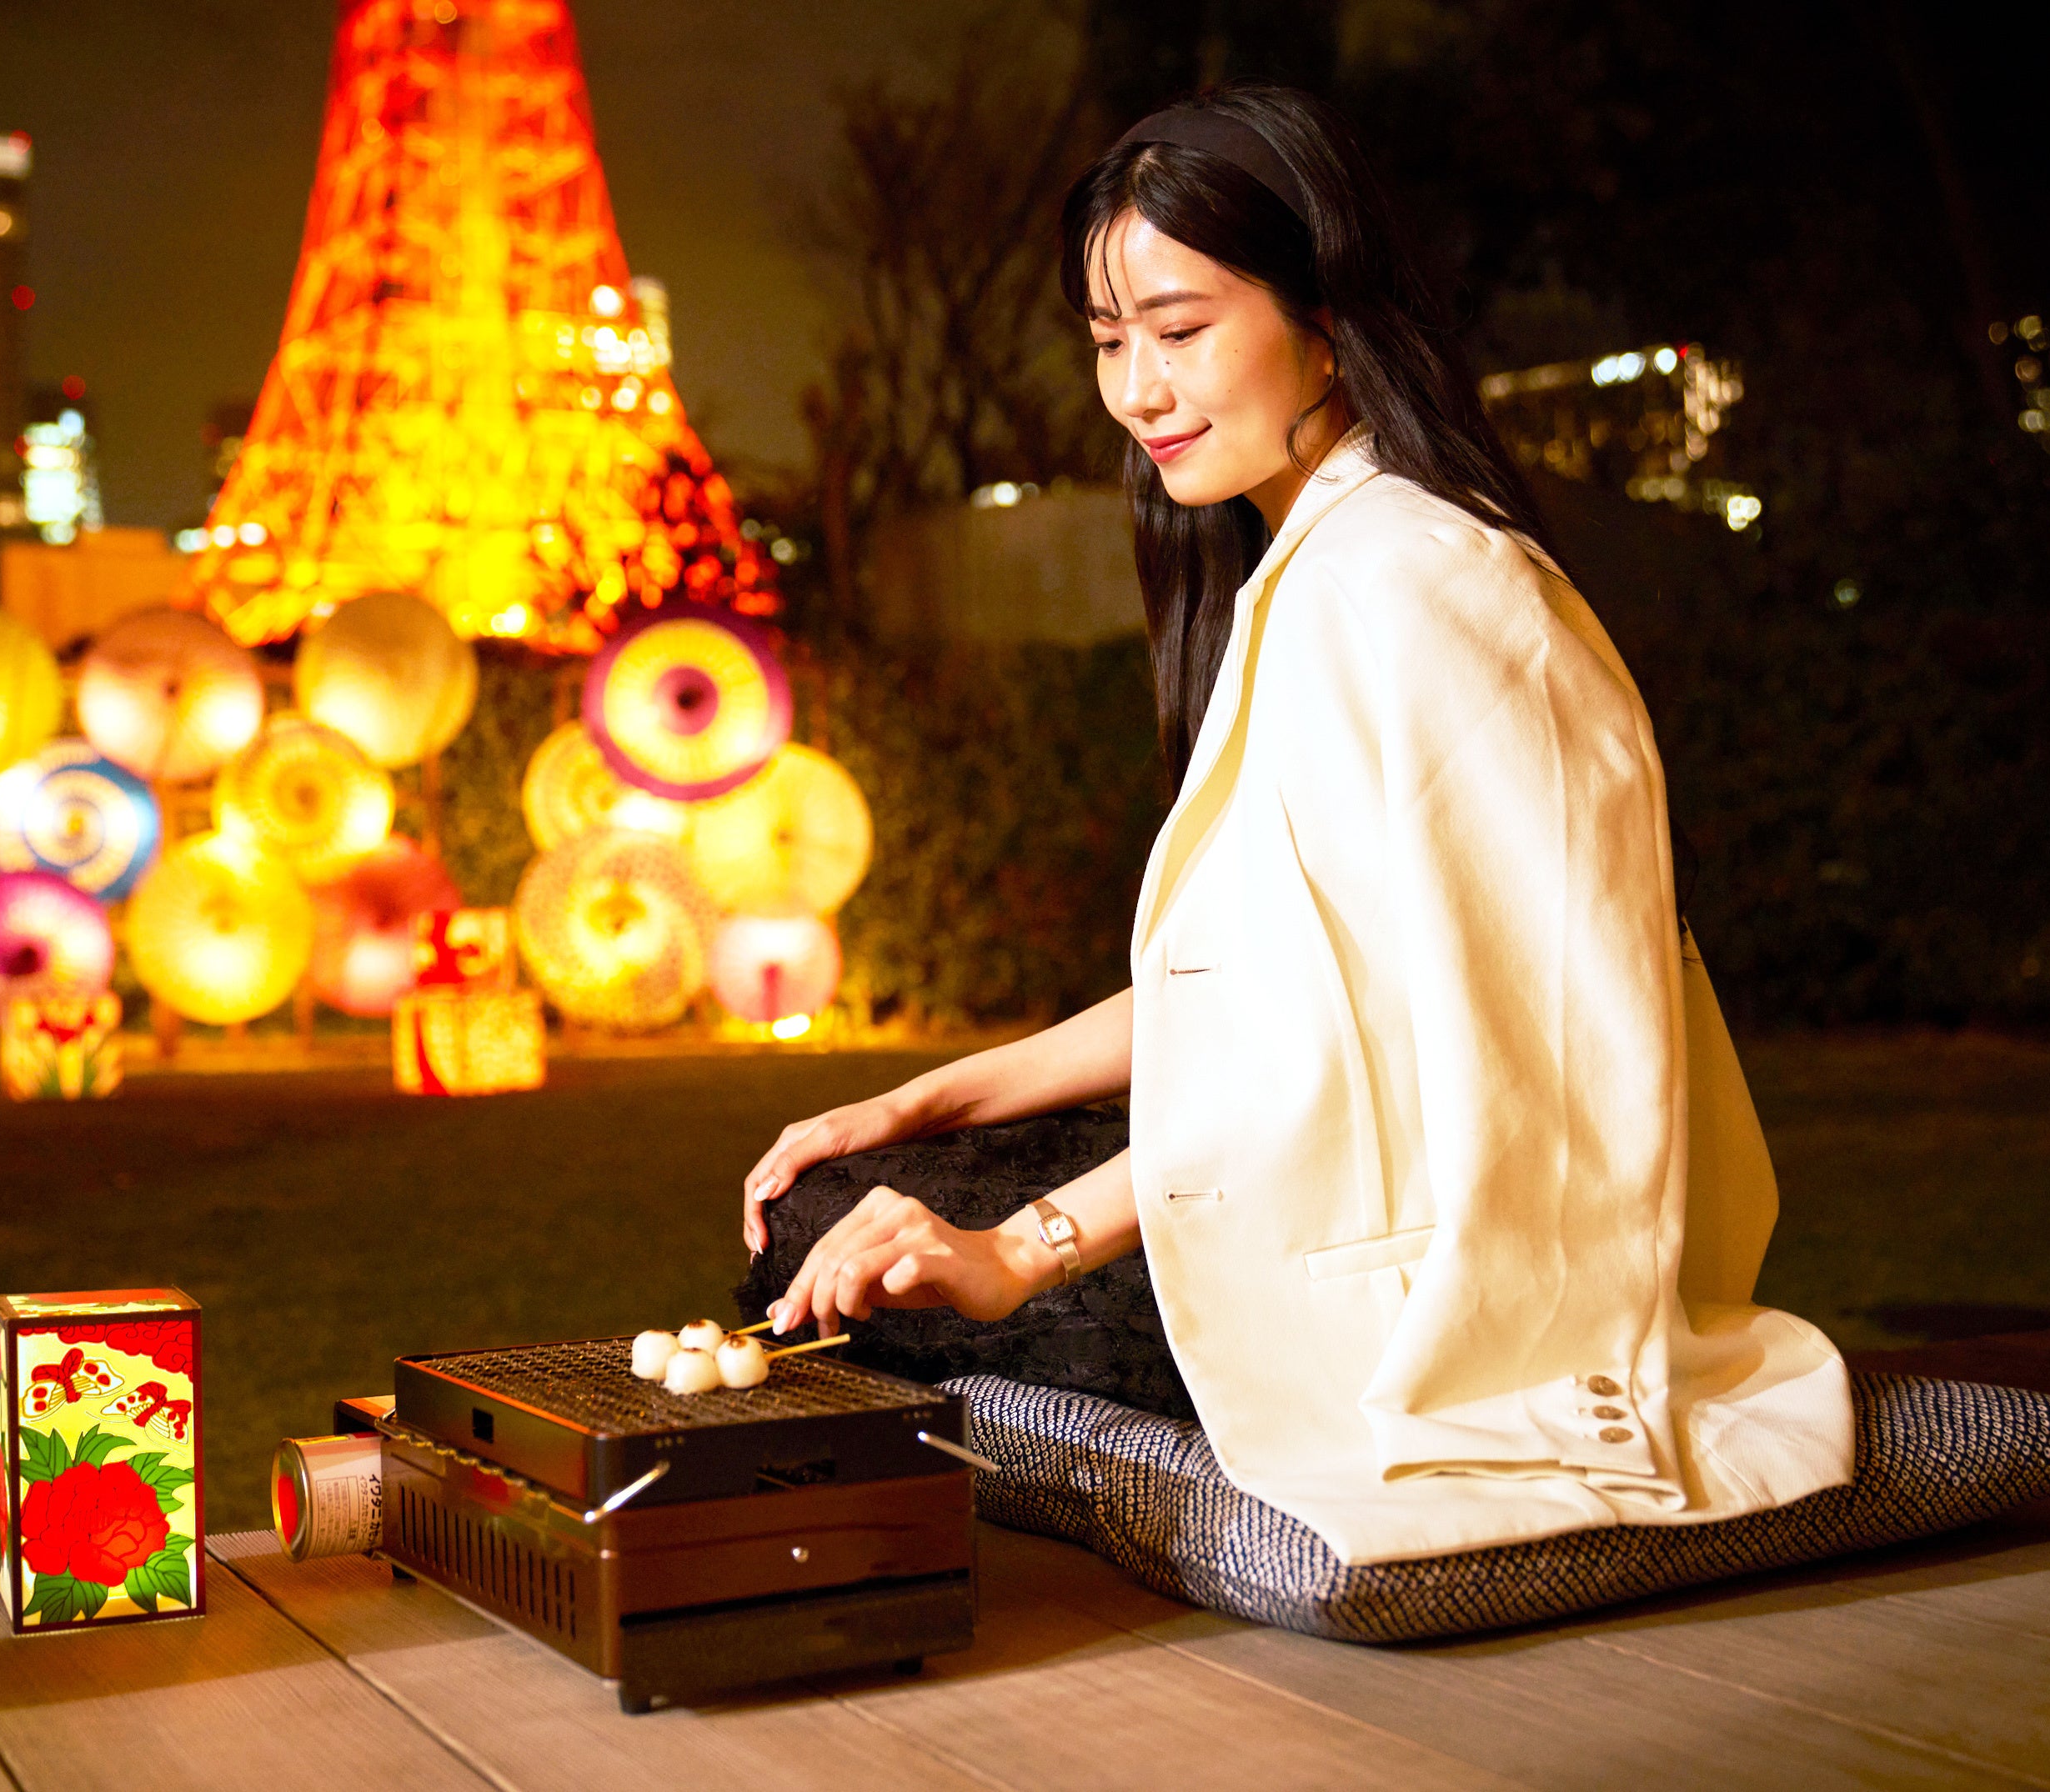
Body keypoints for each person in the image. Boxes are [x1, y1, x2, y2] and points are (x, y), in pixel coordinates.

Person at [740, 86, 1855, 1568]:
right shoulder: (1321, 564)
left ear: (1325, 314)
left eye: (1181, 328)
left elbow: (1407, 1037)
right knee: (841, 1192)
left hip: (1428, 1295)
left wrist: (1021, 1251)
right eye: (1106, 337)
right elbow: (1255, 987)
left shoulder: (1415, 586)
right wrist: (924, 1101)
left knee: (838, 1240)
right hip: (1325, 1196)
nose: (1137, 387)